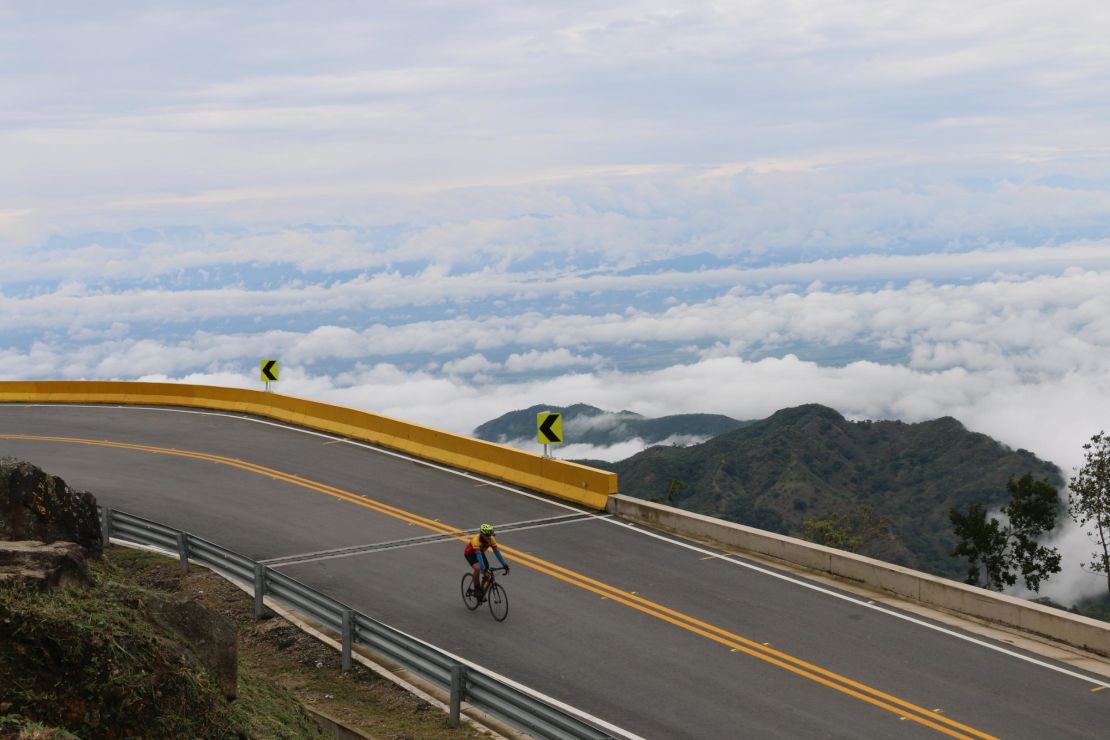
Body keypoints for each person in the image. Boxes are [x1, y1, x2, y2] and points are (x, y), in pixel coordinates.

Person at [464, 523, 509, 602]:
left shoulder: (491, 539)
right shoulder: (476, 540)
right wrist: (483, 568)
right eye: (487, 536)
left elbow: (497, 553)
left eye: (490, 535)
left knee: (488, 575)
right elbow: (478, 557)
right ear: (482, 535)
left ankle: (481, 593)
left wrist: (505, 564)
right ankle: (477, 588)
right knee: (478, 569)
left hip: (480, 553)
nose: (489, 538)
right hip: (470, 554)